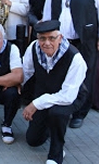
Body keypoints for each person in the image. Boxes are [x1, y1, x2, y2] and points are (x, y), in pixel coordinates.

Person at [42, 0, 99, 129]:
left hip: (85, 39)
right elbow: (48, 14)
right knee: (61, 74)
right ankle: (63, 108)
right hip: (62, 42)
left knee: (85, 75)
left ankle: (80, 113)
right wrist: (45, 37)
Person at [22, 20, 87, 164]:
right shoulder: (33, 48)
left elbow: (67, 96)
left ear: (61, 38)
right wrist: (19, 89)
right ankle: (51, 127)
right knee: (33, 140)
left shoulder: (75, 58)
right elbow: (26, 72)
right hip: (44, 93)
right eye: (42, 38)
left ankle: (56, 153)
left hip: (70, 97)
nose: (46, 43)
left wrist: (35, 104)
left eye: (52, 38)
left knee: (57, 113)